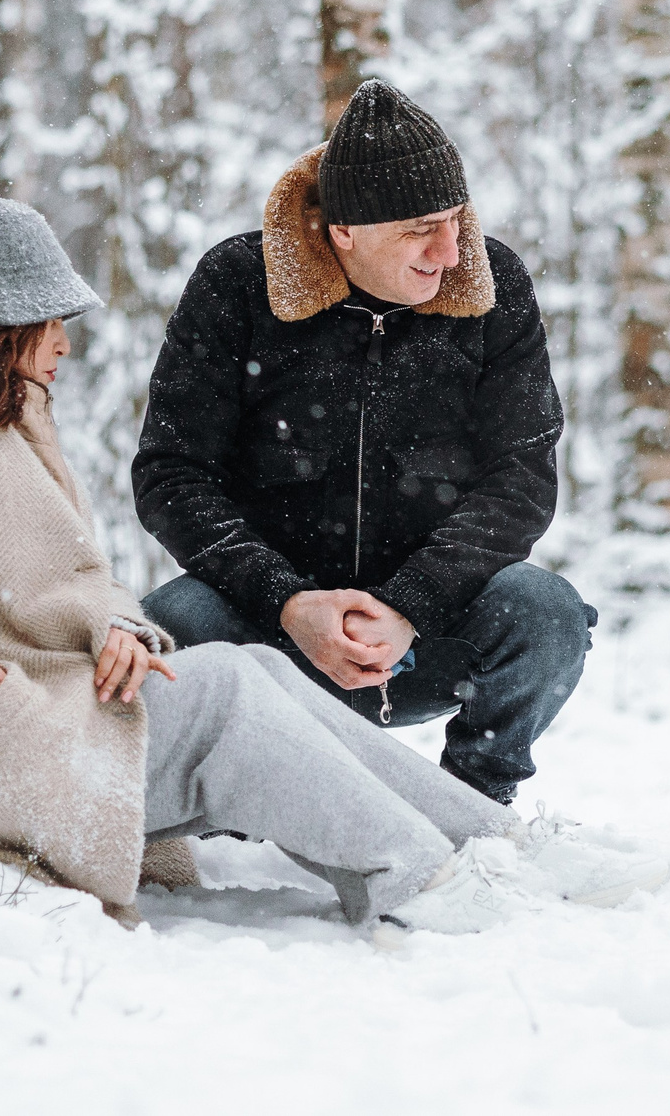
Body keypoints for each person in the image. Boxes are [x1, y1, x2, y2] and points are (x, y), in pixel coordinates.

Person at [0, 191, 659, 934]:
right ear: (3, 321)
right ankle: (418, 876)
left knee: (251, 669)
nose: (68, 343)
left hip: (17, 716)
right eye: (54, 322)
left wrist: (115, 623)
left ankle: (497, 840)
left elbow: (48, 578)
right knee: (226, 690)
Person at [133, 79, 590, 805]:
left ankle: (474, 808)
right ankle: (241, 802)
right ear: (342, 232)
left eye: (455, 220)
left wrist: (410, 605)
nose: (448, 250)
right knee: (170, 621)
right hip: (271, 636)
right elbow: (172, 474)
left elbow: (522, 479)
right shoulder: (235, 285)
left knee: (546, 613)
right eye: (420, 230)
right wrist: (288, 602)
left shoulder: (492, 281)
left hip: (426, 635)